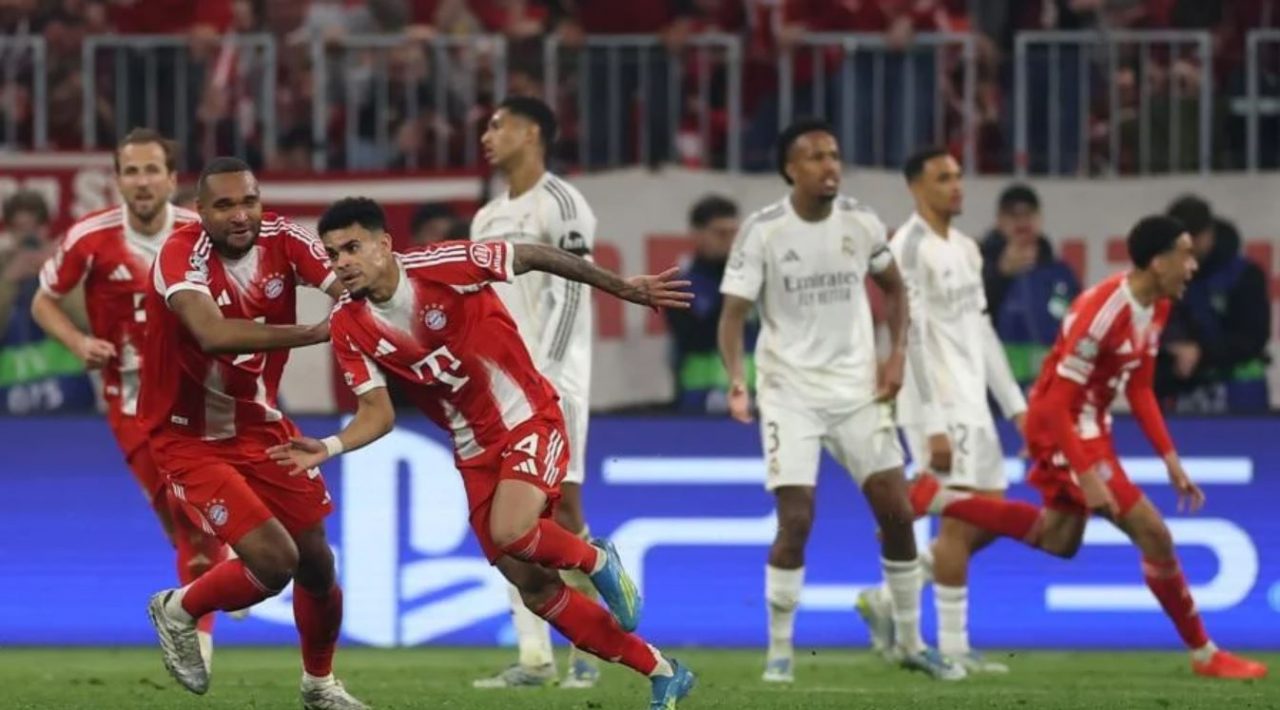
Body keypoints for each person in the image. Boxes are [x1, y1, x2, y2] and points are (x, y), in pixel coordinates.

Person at [269, 197, 698, 710]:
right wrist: (329, 446)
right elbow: (377, 414)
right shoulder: (348, 325)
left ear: (384, 245)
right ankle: (663, 671)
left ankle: (597, 559)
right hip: (474, 453)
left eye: (352, 248)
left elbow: (534, 254)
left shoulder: (443, 265)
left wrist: (623, 287)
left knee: (512, 530)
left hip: (528, 417)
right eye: (333, 254)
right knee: (534, 588)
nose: (341, 263)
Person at [911, 215, 1268, 681]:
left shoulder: (1157, 307)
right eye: (1184, 255)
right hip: (1062, 426)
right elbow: (1057, 404)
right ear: (1158, 262)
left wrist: (1170, 460)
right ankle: (1205, 653)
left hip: (1089, 425)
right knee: (1155, 535)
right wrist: (1086, 473)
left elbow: (1139, 388)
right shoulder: (1102, 311)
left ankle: (936, 498)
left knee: (1058, 540)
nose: (1193, 266)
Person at [716, 118, 964, 684]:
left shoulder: (861, 221)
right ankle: (780, 651)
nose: (829, 165)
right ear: (790, 170)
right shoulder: (763, 231)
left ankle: (910, 642)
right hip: (790, 394)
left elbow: (895, 289)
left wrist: (895, 357)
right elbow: (733, 314)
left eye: (833, 155)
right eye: (815, 157)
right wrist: (737, 379)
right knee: (796, 520)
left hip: (857, 392)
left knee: (897, 514)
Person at [138, 157, 368, 709]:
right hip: (188, 436)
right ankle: (177, 608)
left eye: (249, 201)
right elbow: (212, 334)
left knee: (318, 563)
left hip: (260, 426)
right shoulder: (180, 254)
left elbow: (350, 283)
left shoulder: (286, 239)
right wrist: (316, 332)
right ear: (200, 211)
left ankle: (319, 686)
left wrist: (358, 300)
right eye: (225, 205)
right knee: (274, 561)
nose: (241, 215)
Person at [32, 128, 236, 664]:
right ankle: (235, 566)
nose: (142, 182)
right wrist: (78, 342)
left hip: (194, 399)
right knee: (179, 521)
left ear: (171, 179)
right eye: (132, 171)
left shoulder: (200, 234)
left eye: (152, 171)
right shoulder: (90, 238)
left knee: (193, 519)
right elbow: (43, 301)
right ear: (118, 180)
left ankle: (200, 638)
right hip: (130, 405)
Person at [856, 147, 1027, 673]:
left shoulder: (968, 248)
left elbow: (982, 328)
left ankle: (888, 597)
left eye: (958, 176)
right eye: (943, 177)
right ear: (915, 187)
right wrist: (932, 423)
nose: (956, 186)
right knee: (958, 519)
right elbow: (909, 333)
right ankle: (953, 646)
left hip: (972, 397)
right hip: (934, 400)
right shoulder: (906, 247)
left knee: (992, 511)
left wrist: (1016, 407)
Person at [467, 95, 603, 689]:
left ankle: (591, 646)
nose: (487, 136)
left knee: (563, 512)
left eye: (498, 125)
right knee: (508, 519)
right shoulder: (485, 219)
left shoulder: (563, 203)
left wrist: (544, 374)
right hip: (499, 395)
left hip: (554, 385)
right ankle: (533, 657)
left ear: (532, 133)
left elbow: (572, 294)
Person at [1160, 195, 1271, 413]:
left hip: (1238, 391)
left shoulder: (1244, 275)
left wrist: (1201, 353)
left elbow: (1253, 336)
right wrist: (1170, 348)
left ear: (1207, 235)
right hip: (1180, 390)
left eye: (1191, 239)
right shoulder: (1167, 277)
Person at [666, 194, 759, 413]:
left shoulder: (755, 280)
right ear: (697, 235)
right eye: (720, 233)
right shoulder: (681, 286)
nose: (729, 240)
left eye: (734, 233)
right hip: (699, 403)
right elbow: (695, 338)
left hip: (755, 398)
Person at [980, 184, 1081, 386]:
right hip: (993, 387)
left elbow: (1079, 324)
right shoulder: (977, 266)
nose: (1021, 221)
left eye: (1028, 213)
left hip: (1050, 385)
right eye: (1013, 214)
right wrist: (999, 275)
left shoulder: (1060, 273)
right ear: (999, 220)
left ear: (1039, 218)